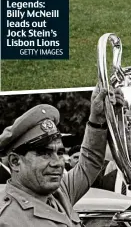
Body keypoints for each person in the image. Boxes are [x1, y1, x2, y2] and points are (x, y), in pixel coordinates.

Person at [0, 86, 113, 227]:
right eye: (44, 153)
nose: (57, 163)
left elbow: (90, 161)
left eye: (59, 152)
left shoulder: (58, 192)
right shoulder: (7, 219)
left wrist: (98, 117)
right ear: (15, 162)